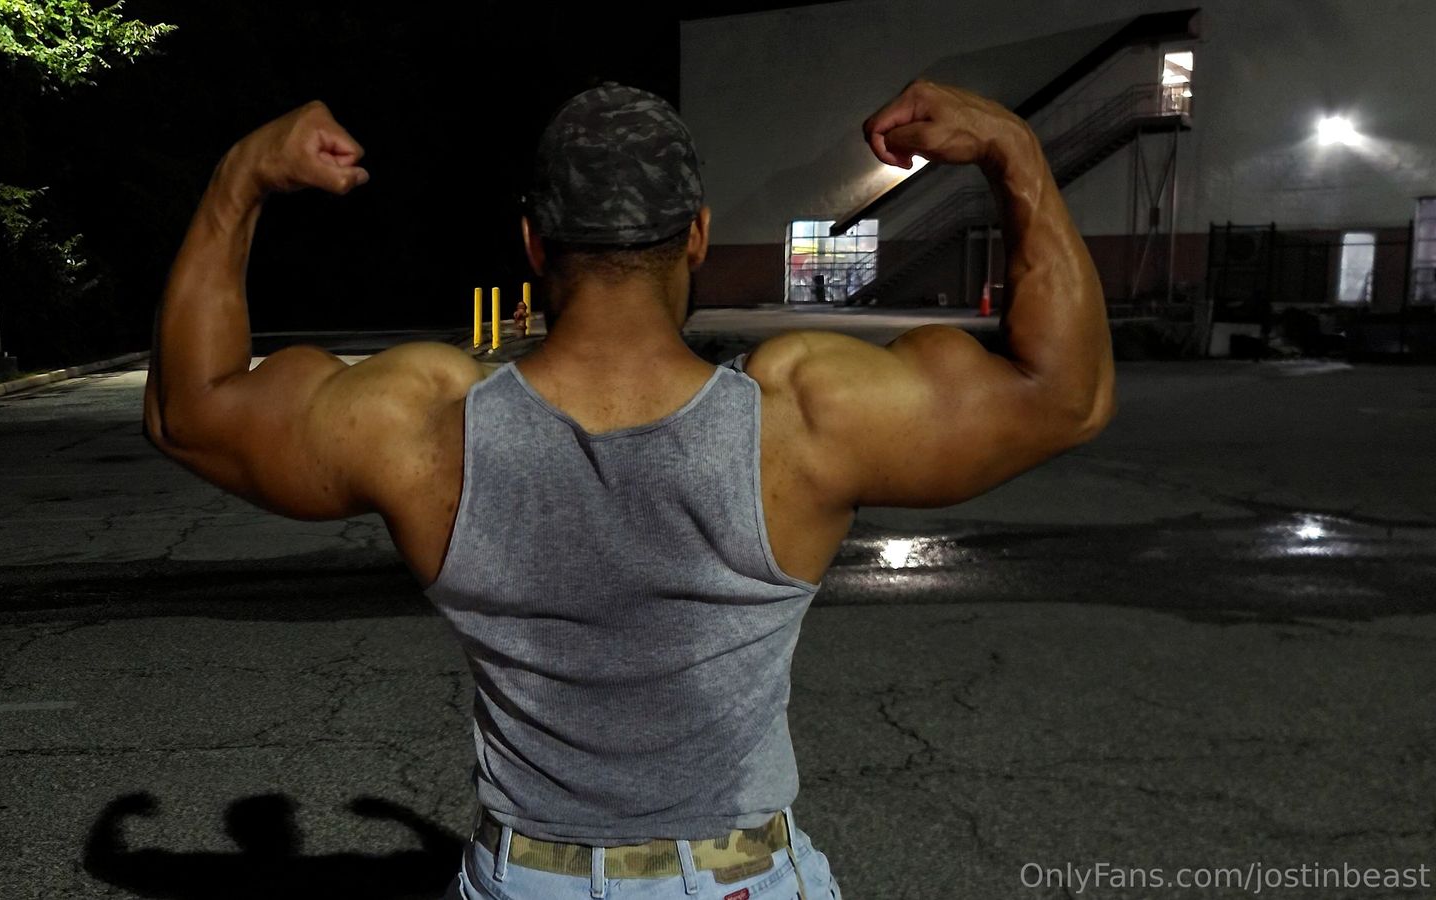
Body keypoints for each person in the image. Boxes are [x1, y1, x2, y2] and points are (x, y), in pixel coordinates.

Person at [144, 79, 1114, 900]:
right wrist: (1015, 153)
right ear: (695, 236)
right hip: (737, 880)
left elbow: (190, 412)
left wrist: (239, 181)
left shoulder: (421, 427)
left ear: (534, 243)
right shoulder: (806, 418)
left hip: (528, 878)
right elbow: (1065, 396)